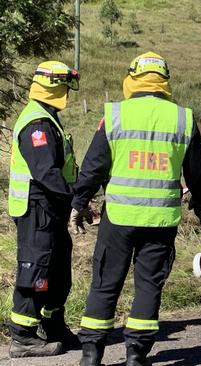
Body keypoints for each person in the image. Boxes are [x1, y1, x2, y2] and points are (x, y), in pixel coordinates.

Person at [71, 51, 201, 366]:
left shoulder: (116, 115)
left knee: (106, 282)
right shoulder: (183, 118)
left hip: (119, 218)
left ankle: (91, 353)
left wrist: (80, 201)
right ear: (164, 82)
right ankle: (136, 354)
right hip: (161, 220)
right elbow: (199, 171)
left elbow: (94, 166)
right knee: (149, 284)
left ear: (133, 78)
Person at [6, 61, 81, 358]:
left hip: (50, 210)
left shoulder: (47, 118)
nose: (69, 91)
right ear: (55, 85)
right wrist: (77, 196)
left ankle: (53, 325)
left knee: (58, 269)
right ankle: (23, 337)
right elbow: (46, 172)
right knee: (35, 268)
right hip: (37, 208)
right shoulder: (37, 123)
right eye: (66, 83)